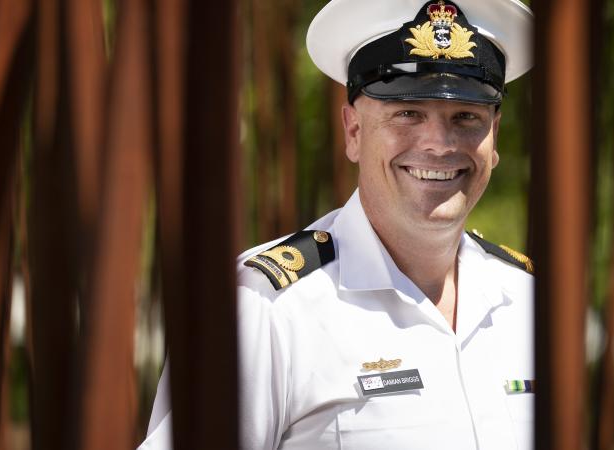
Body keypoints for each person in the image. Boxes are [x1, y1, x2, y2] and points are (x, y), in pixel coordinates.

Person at [139, 0, 534, 448]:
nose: (440, 144)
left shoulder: (526, 301)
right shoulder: (268, 307)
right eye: (407, 113)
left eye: (466, 117)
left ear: (494, 138)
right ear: (353, 132)